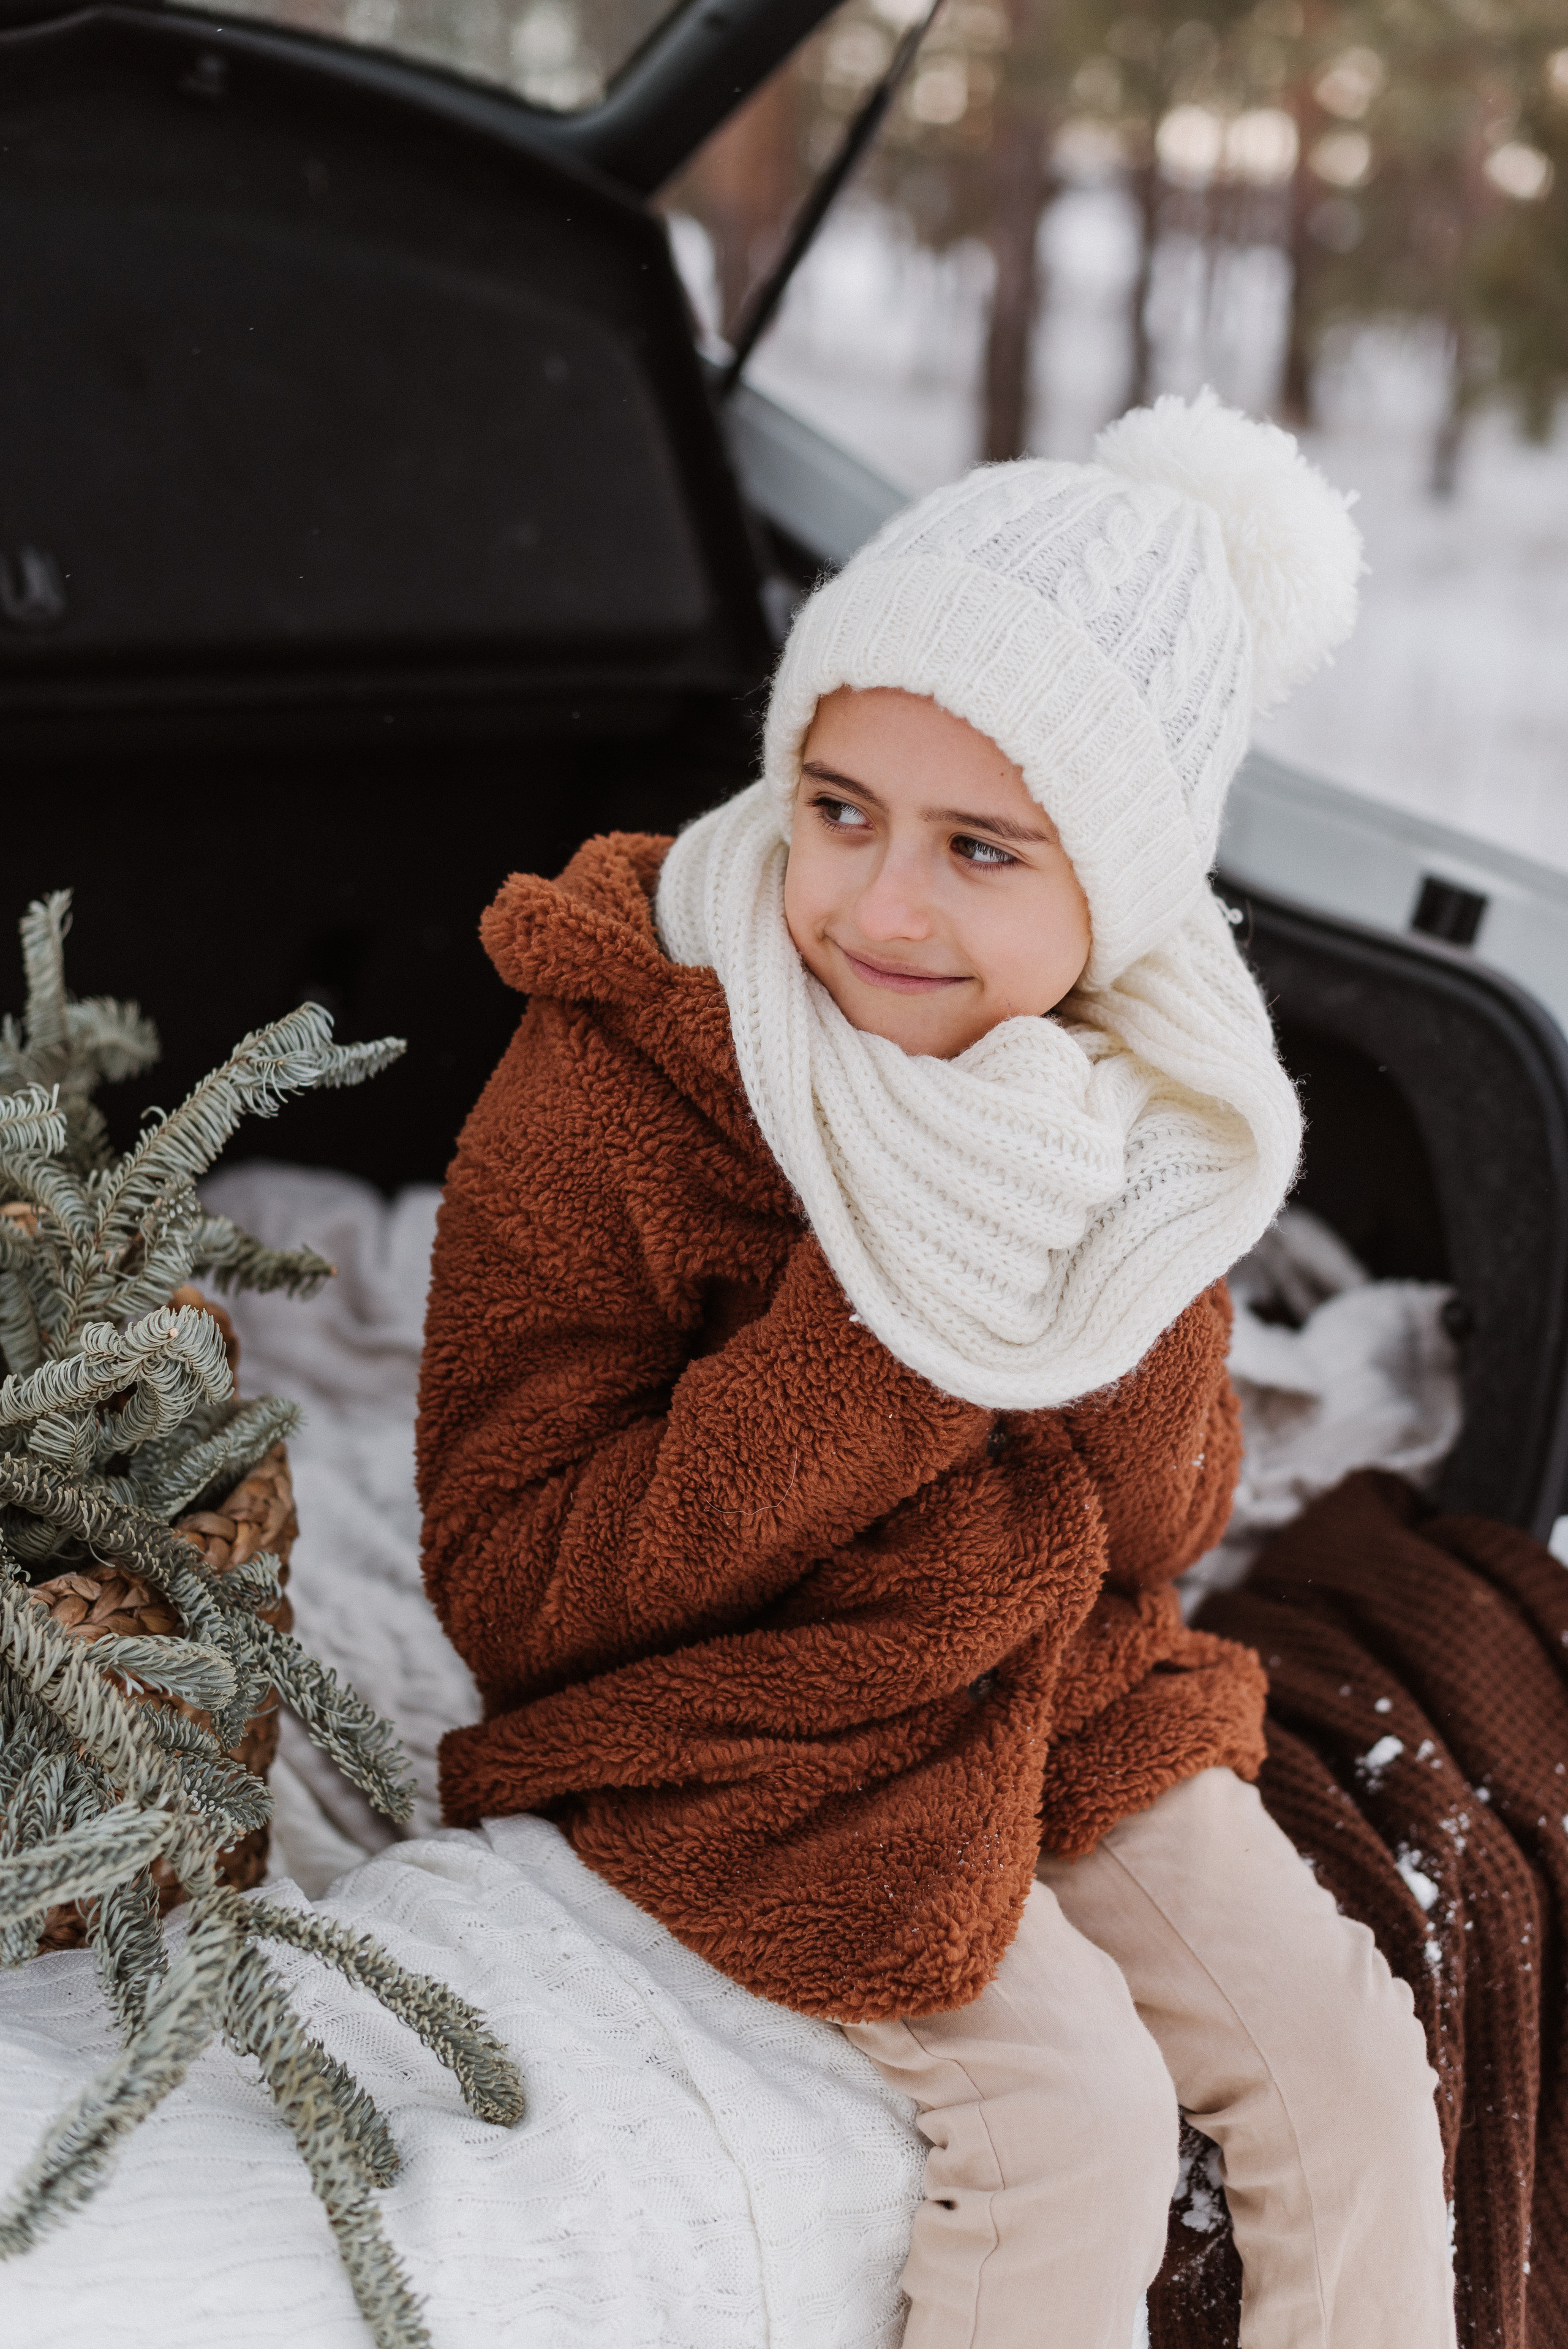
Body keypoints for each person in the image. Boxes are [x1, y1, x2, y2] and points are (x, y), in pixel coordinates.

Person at [417, 391, 1456, 2348]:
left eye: (983, 848)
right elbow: (515, 1585)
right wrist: (905, 1328)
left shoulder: (1142, 1095)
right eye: (840, 808)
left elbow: (1166, 1518)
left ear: (1117, 893)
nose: (885, 907)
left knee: (1345, 2061)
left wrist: (1084, 1263)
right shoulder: (630, 1059)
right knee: (1073, 2124)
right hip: (730, 1711)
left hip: (1050, 1674)